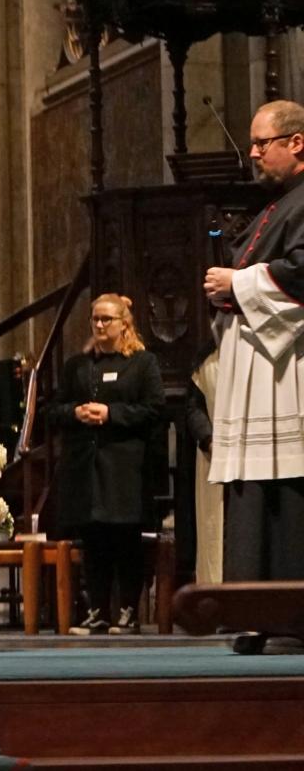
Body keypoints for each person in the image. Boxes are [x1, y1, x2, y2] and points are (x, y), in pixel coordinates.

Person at [203, 99, 304, 655]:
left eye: (264, 142)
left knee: (285, 492)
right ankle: (254, 610)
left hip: (286, 372)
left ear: (297, 143)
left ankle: (287, 613)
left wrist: (237, 285)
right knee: (253, 490)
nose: (255, 153)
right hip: (259, 369)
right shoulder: (278, 205)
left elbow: (302, 272)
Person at [48, 294, 165, 636]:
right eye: (95, 319)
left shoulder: (142, 363)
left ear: (124, 324)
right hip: (86, 468)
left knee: (125, 540)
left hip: (124, 468)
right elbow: (53, 409)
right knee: (94, 540)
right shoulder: (78, 366)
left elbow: (155, 409)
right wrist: (75, 412)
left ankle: (127, 612)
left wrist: (111, 413)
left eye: (107, 319)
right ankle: (96, 610)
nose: (99, 325)